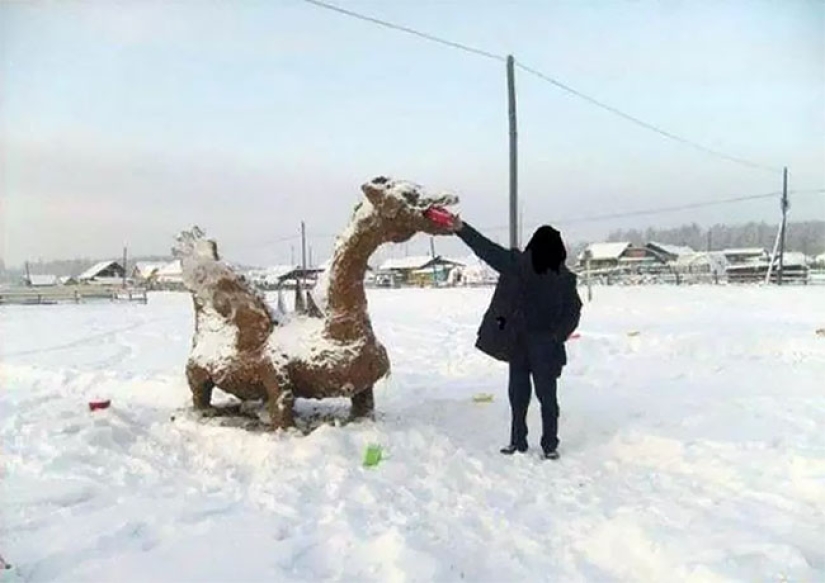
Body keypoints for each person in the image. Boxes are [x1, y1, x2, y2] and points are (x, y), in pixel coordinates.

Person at [447, 214, 582, 459]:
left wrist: (461, 228)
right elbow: (574, 312)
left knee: (527, 396)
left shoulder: (554, 275)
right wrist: (558, 335)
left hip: (537, 343)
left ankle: (532, 443)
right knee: (538, 396)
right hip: (528, 342)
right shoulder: (531, 268)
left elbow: (487, 249)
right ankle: (537, 444)